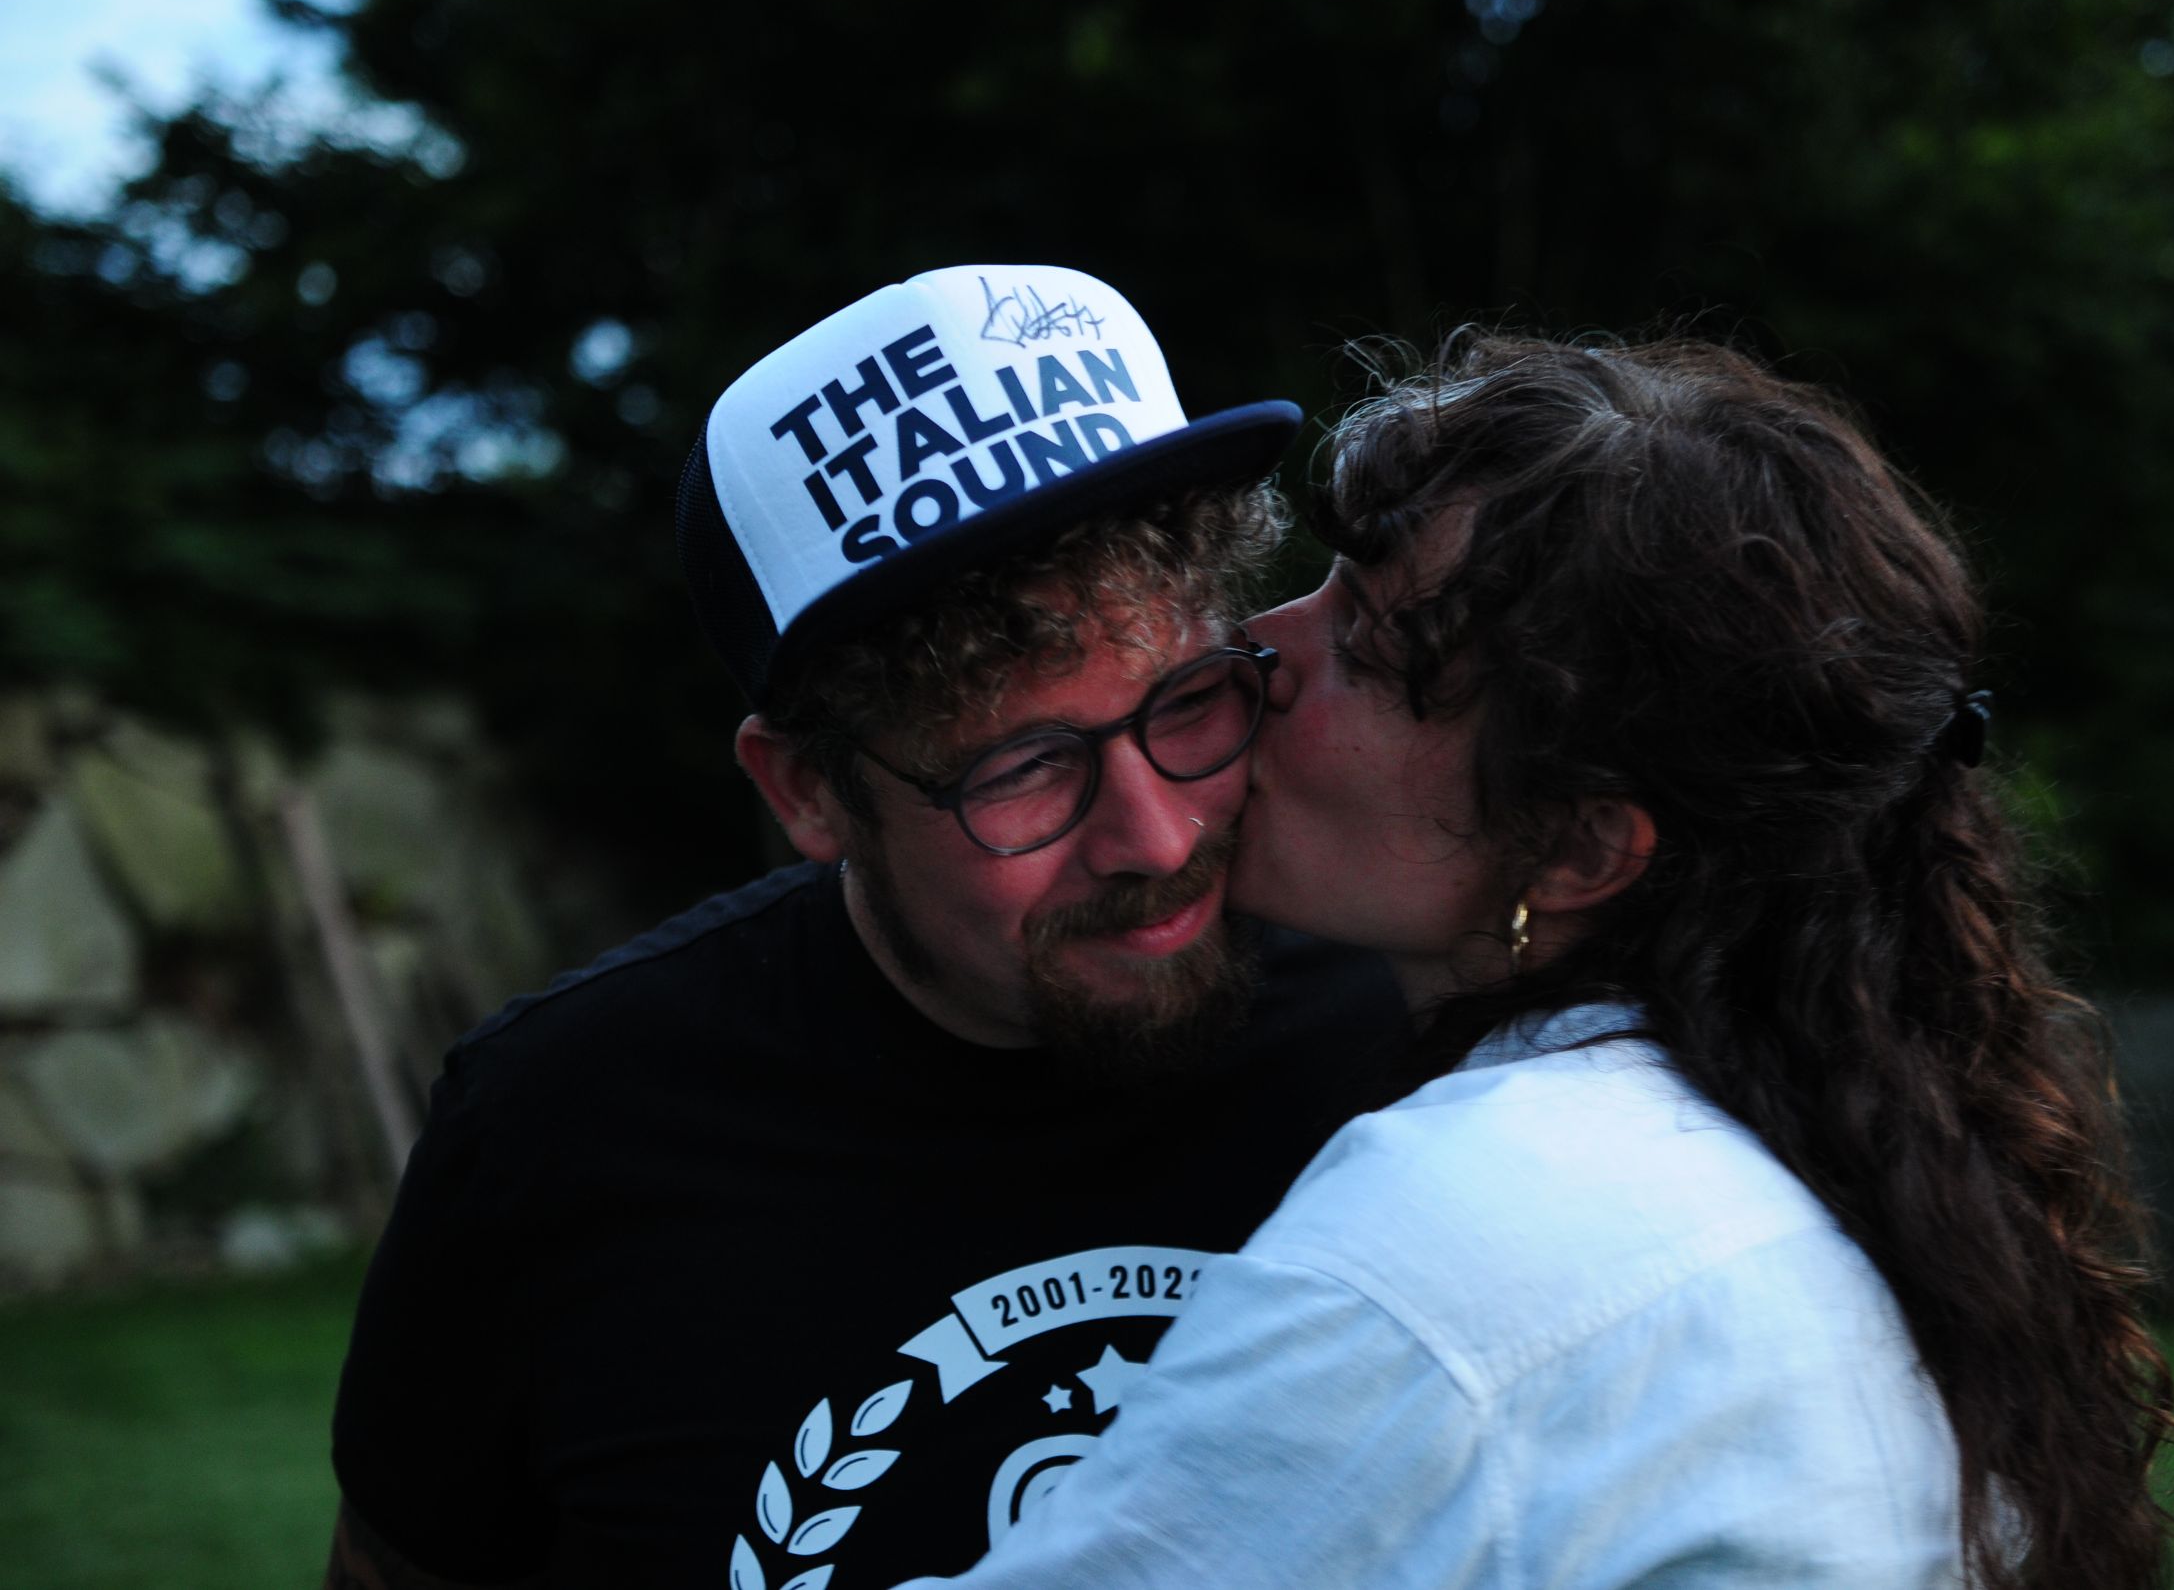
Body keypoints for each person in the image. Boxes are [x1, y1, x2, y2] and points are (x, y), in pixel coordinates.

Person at [909, 335, 2174, 1589]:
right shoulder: (1814, 1147)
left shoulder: (1474, 1226)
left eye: (1367, 649)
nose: (1256, 645)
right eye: (1327, 584)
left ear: (1579, 848)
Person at [322, 266, 1403, 1589]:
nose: (1161, 839)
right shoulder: (555, 1129)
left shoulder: (1413, 1019)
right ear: (807, 792)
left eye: (1188, 702)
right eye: (1025, 768)